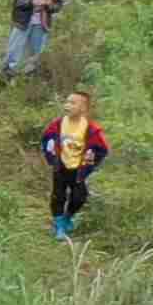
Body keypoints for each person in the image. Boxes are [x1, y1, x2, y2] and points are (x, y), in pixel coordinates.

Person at [43, 92, 112, 240]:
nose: (68, 105)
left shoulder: (91, 128)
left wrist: (91, 161)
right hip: (61, 167)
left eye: (73, 103)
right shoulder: (58, 124)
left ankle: (67, 217)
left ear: (84, 108)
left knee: (80, 197)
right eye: (67, 102)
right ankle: (59, 225)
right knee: (58, 196)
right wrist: (51, 157)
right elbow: (46, 139)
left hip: (79, 170)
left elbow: (103, 148)